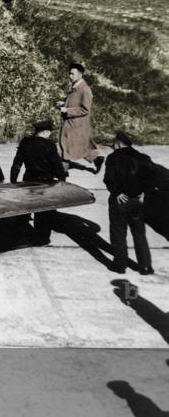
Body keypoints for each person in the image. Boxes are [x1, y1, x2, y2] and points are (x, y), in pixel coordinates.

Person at [103, 131, 153, 275]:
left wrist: (117, 192)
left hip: (120, 201)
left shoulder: (113, 158)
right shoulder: (143, 158)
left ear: (118, 143)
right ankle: (145, 266)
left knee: (118, 233)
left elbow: (108, 179)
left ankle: (120, 265)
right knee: (139, 234)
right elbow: (151, 177)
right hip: (137, 201)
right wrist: (145, 192)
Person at [10, 119, 67, 244]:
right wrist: (62, 180)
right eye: (49, 132)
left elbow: (17, 164)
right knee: (44, 212)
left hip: (28, 179)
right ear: (46, 132)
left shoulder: (25, 143)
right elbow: (57, 166)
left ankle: (18, 234)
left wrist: (13, 180)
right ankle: (41, 238)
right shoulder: (50, 145)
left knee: (25, 207)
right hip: (45, 182)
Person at [59, 62, 103, 173]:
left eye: (72, 74)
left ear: (80, 74)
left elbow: (85, 109)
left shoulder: (85, 89)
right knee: (68, 148)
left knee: (67, 148)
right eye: (69, 74)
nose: (70, 76)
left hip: (77, 126)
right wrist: (63, 104)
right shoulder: (75, 87)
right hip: (71, 123)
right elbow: (74, 103)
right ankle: (96, 159)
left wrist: (67, 110)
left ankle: (63, 175)